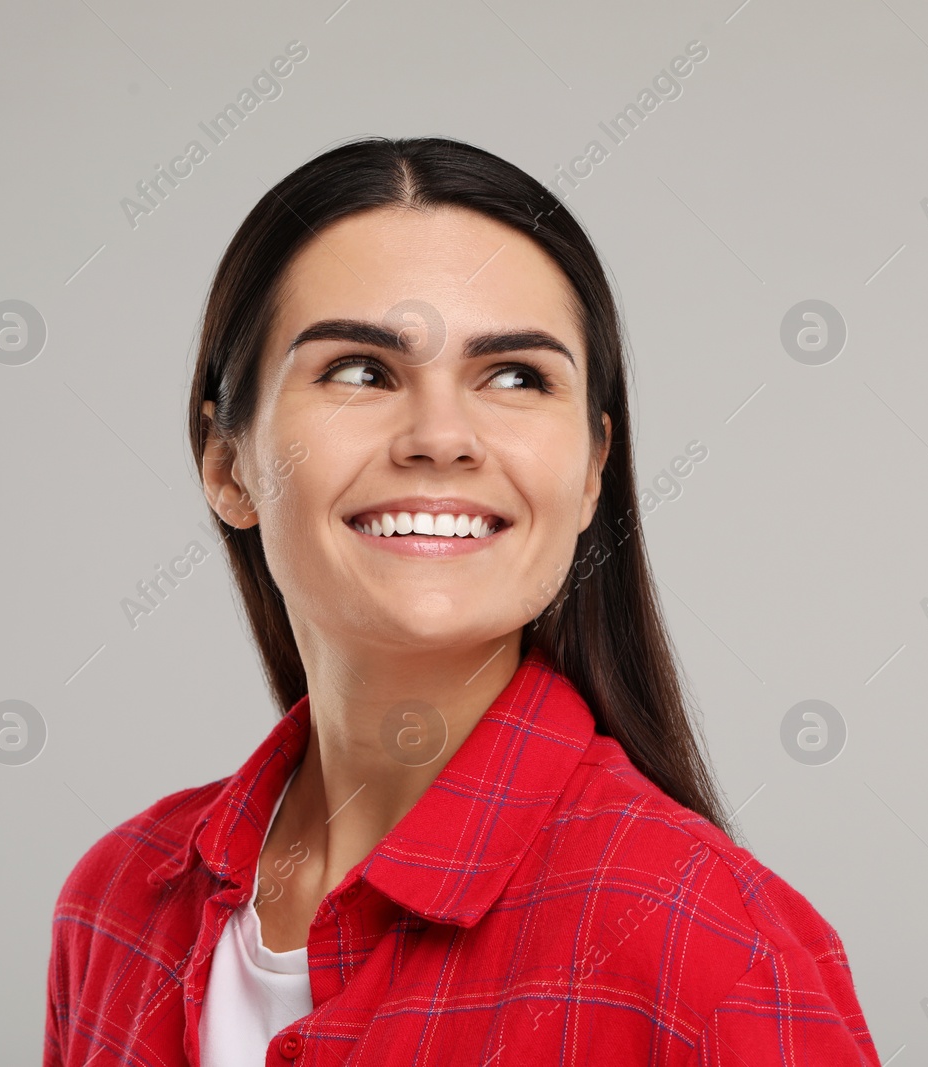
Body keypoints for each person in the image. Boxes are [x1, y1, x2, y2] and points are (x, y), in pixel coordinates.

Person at [43, 136, 882, 1066]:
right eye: (360, 371)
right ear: (227, 461)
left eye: (516, 376)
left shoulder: (713, 949)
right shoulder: (115, 902)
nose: (441, 437)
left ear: (594, 467)